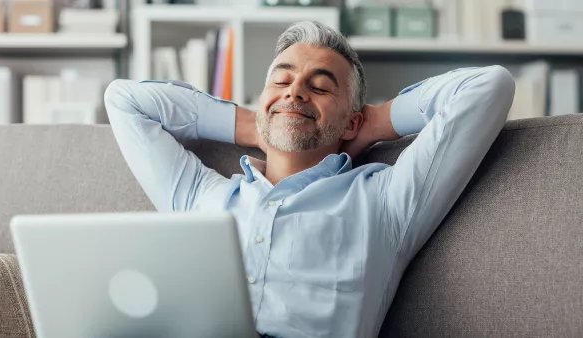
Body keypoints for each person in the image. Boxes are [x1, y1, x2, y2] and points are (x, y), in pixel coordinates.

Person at [104, 21, 515, 338]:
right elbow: (124, 100)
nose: (295, 91)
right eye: (281, 81)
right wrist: (257, 124)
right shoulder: (200, 195)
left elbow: (486, 86)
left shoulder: (386, 200)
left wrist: (373, 123)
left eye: (319, 87)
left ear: (351, 120)